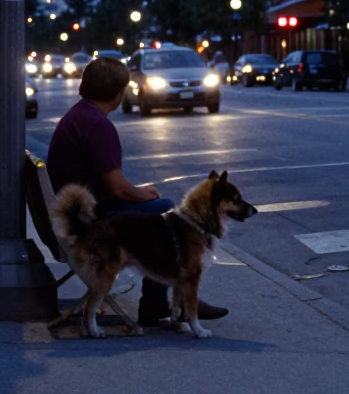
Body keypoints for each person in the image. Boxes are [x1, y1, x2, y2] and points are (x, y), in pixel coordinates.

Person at [46, 57, 229, 326]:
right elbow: (117, 188)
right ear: (119, 92)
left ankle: (171, 298)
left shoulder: (79, 115)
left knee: (158, 207)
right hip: (94, 219)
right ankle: (162, 301)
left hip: (81, 210)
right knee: (166, 212)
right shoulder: (98, 126)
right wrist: (142, 194)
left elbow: (111, 184)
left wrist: (138, 191)